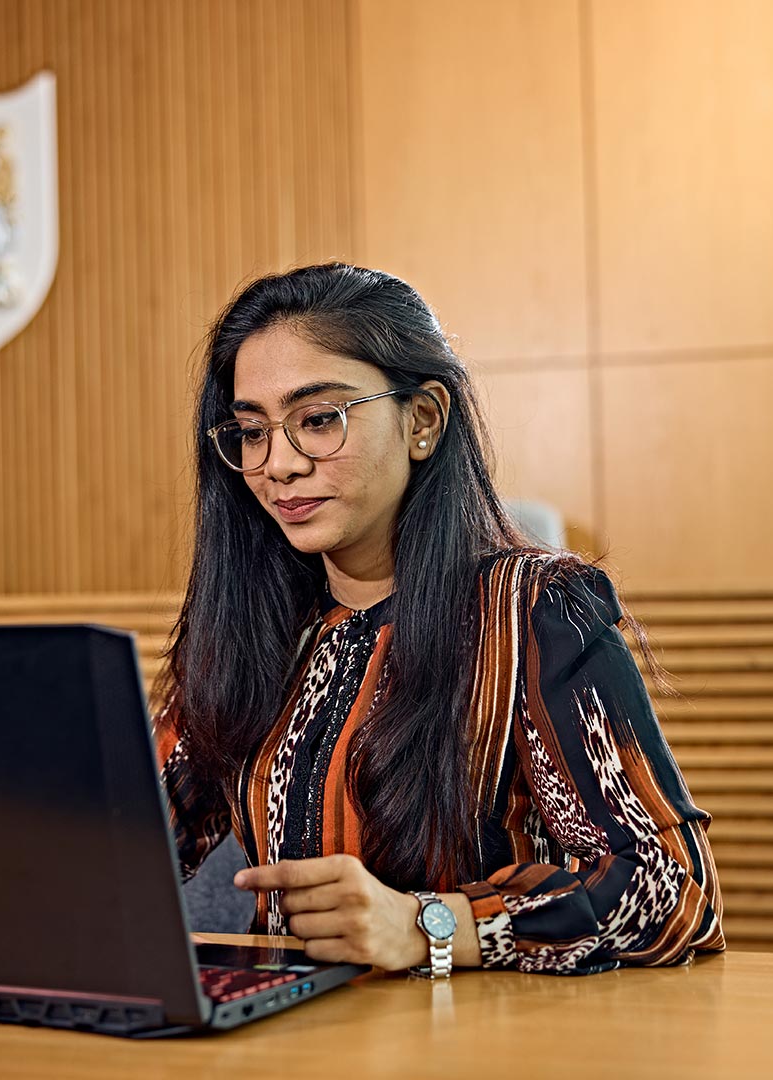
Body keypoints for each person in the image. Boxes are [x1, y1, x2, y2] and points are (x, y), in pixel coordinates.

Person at [154, 263, 724, 977]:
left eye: (318, 420)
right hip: (283, 1038)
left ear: (423, 419)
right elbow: (129, 846)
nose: (280, 465)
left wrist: (429, 926)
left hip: (478, 1039)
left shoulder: (534, 612)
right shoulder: (254, 629)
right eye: (251, 431)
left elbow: (673, 890)